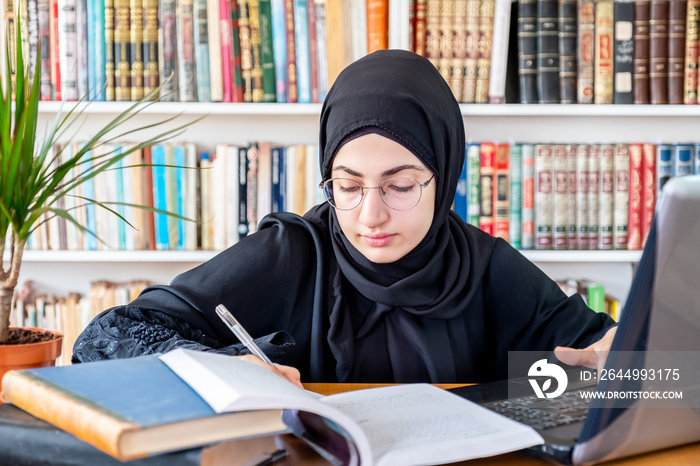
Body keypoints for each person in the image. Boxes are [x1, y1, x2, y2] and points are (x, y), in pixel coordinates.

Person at [73, 50, 616, 386]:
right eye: (348, 186)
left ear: (444, 177)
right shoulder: (293, 253)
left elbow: (657, 375)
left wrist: (622, 360)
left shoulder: (488, 266)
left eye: (401, 186)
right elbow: (104, 337)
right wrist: (215, 367)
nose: (370, 216)